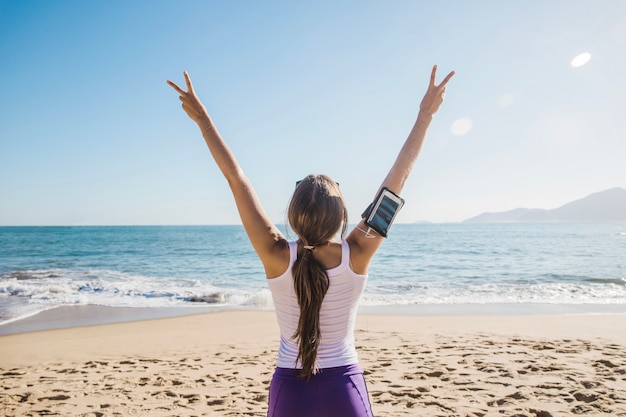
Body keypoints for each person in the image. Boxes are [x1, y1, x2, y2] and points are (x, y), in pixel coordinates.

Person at [167, 65, 454, 417]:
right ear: (343, 217)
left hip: (290, 389)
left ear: (293, 216)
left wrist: (205, 121)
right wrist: (425, 116)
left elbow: (235, 179)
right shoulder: (358, 251)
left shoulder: (275, 253)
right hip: (344, 388)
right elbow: (399, 179)